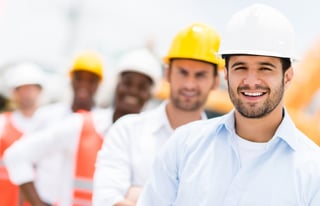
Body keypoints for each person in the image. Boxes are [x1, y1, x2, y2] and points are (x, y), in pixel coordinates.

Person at [137, 4, 320, 206]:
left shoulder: (312, 170)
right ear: (226, 74)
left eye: (265, 68)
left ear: (287, 77)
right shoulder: (184, 147)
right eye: (240, 67)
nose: (251, 80)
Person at [3, 48, 161, 206]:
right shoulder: (81, 124)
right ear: (116, 85)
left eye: (142, 87)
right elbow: (16, 156)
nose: (133, 91)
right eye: (128, 83)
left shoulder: (153, 141)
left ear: (150, 94)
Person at [92, 22, 224, 206]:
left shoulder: (221, 149)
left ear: (215, 81)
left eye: (200, 75)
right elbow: (106, 200)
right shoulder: (127, 131)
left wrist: (139, 196)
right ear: (168, 74)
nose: (189, 84)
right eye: (183, 72)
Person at [0, 62, 45, 206]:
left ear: (39, 90)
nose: (25, 94)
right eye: (21, 89)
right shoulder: (3, 124)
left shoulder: (48, 127)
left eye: (30, 88)